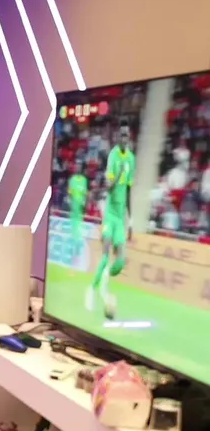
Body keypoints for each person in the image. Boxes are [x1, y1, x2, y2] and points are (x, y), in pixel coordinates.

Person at [87, 124, 135, 319]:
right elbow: (109, 187)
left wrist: (130, 221)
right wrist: (120, 173)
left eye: (126, 135)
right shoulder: (113, 156)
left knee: (120, 261)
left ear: (129, 138)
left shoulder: (131, 158)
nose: (124, 138)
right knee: (106, 255)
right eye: (121, 135)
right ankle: (92, 290)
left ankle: (105, 282)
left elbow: (129, 191)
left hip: (121, 217)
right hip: (110, 215)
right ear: (117, 137)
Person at [66, 166, 89, 263]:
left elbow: (85, 194)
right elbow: (70, 193)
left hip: (80, 211)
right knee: (73, 231)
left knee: (79, 232)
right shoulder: (72, 180)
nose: (78, 169)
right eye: (77, 167)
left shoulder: (84, 180)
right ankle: (72, 253)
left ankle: (77, 253)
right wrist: (70, 203)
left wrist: (84, 205)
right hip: (73, 211)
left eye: (80, 167)